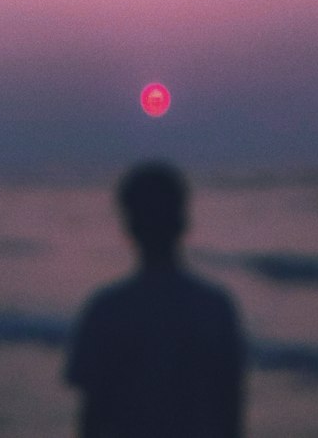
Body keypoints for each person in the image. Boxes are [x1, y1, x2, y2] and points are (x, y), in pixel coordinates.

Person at [65, 160, 245, 438]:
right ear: (183, 221)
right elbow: (231, 412)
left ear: (129, 226)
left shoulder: (106, 310)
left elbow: (92, 418)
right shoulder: (215, 308)